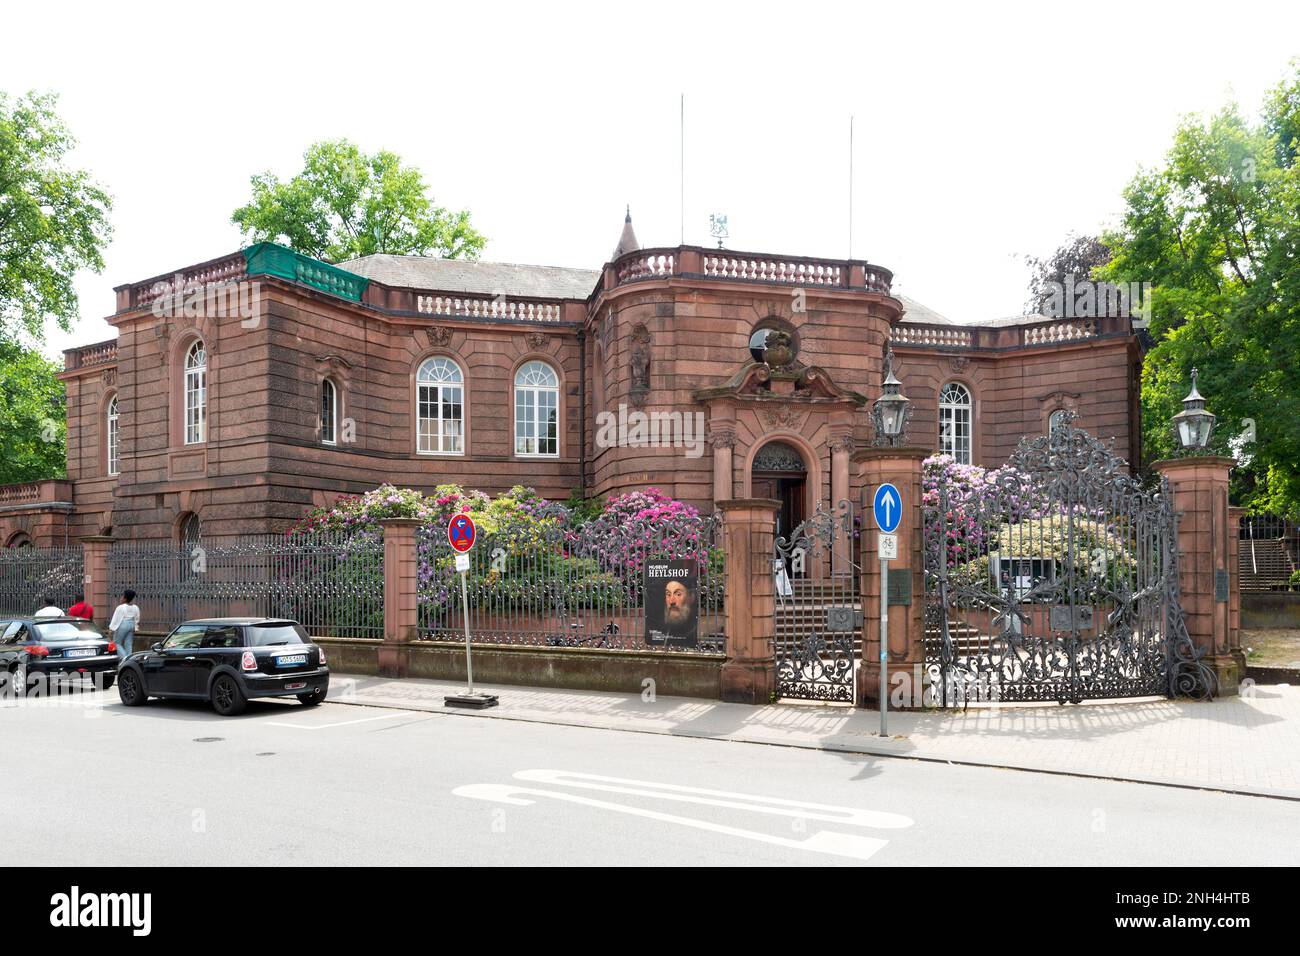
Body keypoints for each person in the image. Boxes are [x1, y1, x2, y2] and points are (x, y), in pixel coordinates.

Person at [108, 590, 141, 658]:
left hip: (123, 624)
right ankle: (129, 658)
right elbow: (137, 618)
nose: (121, 597)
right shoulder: (135, 607)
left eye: (122, 596)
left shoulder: (120, 607)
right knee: (128, 643)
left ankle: (125, 658)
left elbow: (115, 619)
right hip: (132, 624)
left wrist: (111, 629)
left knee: (116, 643)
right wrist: (136, 626)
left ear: (125, 598)